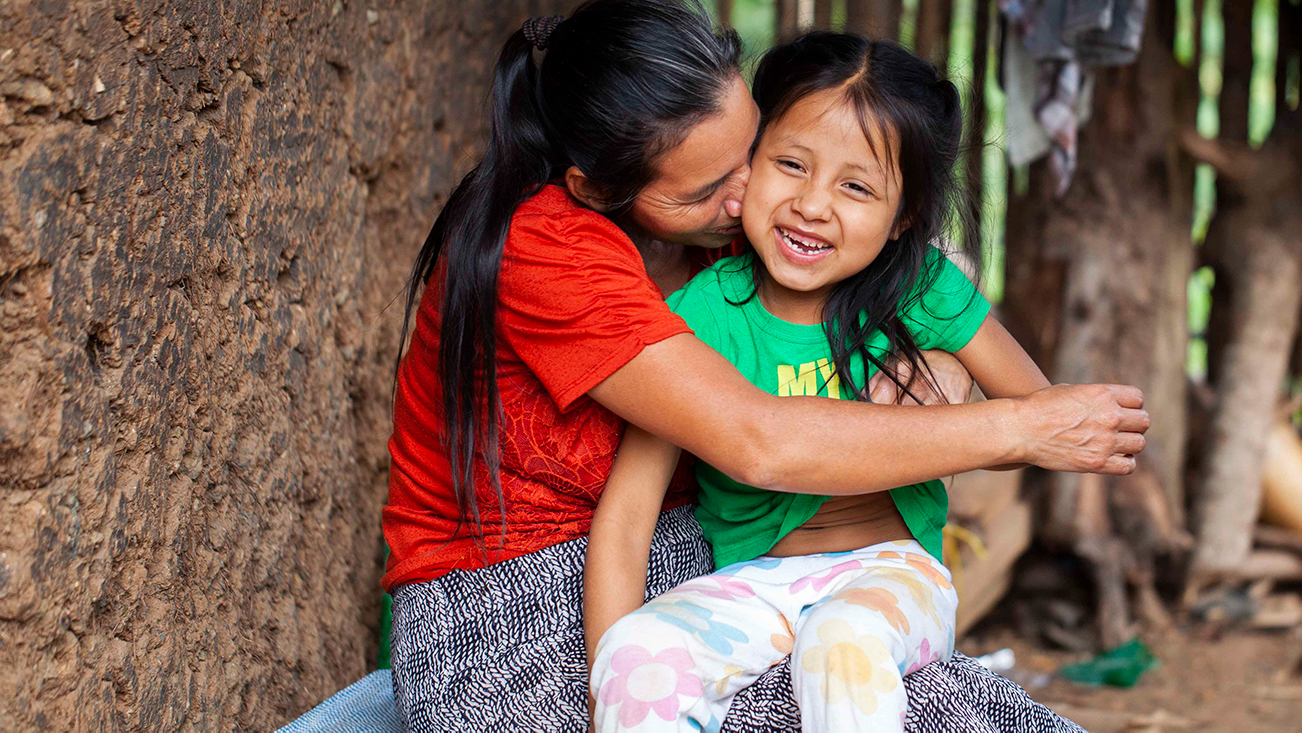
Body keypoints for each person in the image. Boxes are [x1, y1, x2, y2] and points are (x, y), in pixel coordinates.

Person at [384, 2, 1148, 731]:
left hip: (714, 574)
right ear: (600, 190)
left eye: (750, 150)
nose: (762, 196)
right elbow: (759, 441)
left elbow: (893, 278)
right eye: (714, 187)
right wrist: (1013, 426)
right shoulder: (551, 249)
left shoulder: (742, 231)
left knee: (897, 678)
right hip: (532, 618)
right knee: (920, 705)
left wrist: (944, 365)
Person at [585, 31, 1060, 732]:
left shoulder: (922, 293)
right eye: (790, 164)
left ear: (902, 218)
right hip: (749, 584)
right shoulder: (702, 314)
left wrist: (954, 372)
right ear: (749, 161)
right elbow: (628, 515)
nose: (812, 204)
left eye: (856, 186)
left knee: (841, 640)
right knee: (637, 652)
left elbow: (1039, 419)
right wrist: (605, 685)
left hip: (894, 574)